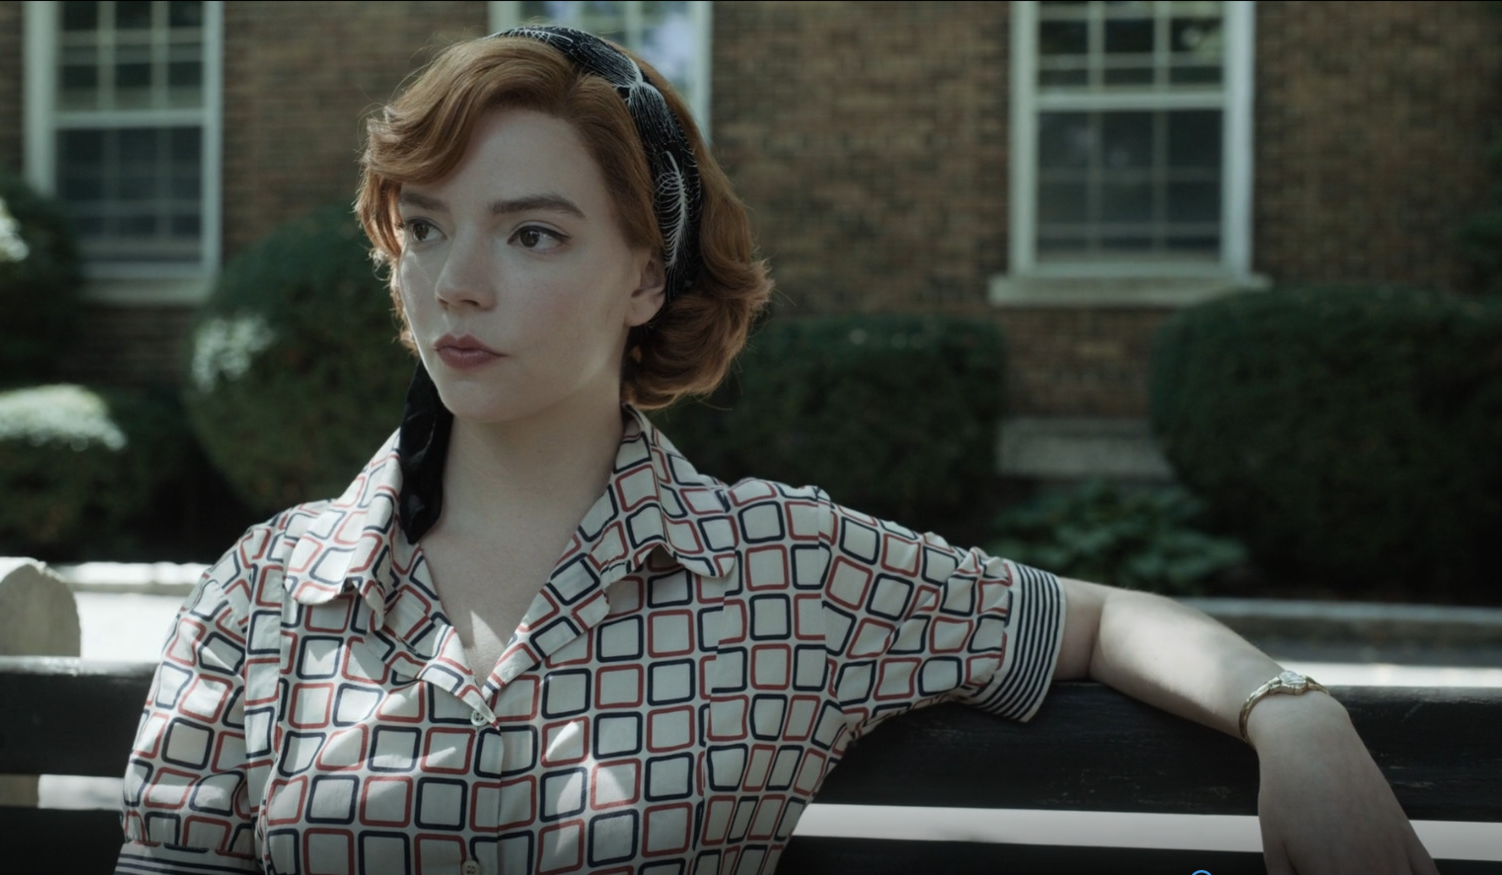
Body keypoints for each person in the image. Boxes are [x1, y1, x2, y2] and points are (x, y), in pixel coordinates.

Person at [115, 25, 1438, 875]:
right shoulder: (269, 588)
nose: (457, 283)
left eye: (532, 234)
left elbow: (1089, 623)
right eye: (426, 226)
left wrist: (1295, 715)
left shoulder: (785, 571)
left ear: (646, 278)